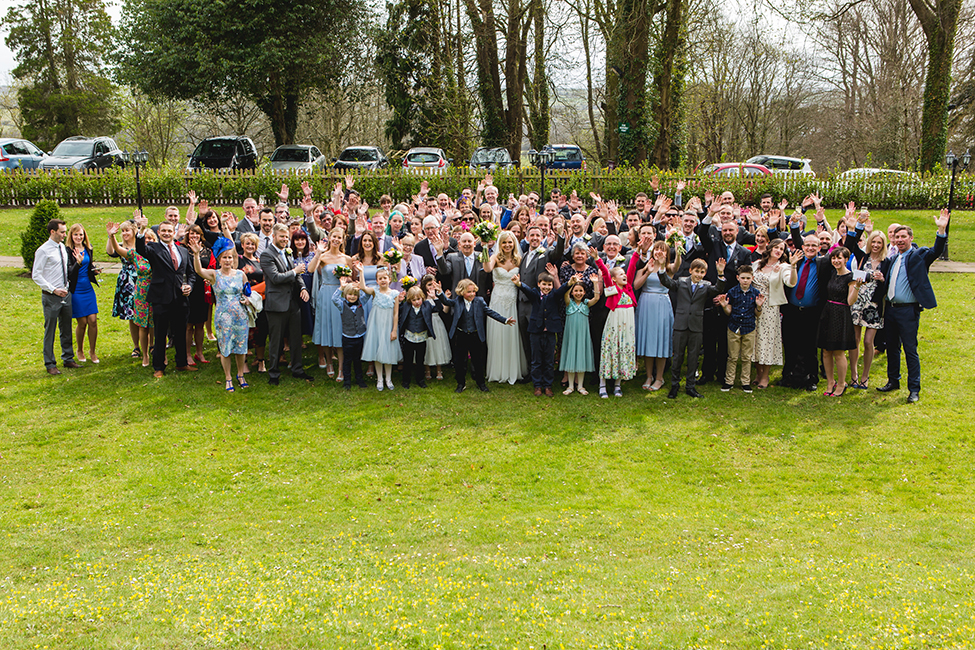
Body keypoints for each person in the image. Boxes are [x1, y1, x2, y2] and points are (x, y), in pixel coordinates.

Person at [875, 210, 949, 403]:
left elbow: (936, 251)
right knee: (892, 347)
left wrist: (941, 229)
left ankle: (914, 389)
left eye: (903, 237)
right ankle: (893, 381)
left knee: (910, 349)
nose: (899, 240)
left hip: (908, 310)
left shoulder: (919, 255)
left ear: (910, 238)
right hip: (890, 309)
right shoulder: (892, 260)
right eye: (896, 237)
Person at [136, 220, 197, 378]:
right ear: (159, 232)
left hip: (181, 299)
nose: (166, 233)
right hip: (161, 297)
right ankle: (159, 367)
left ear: (173, 232)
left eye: (169, 231)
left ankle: (182, 363)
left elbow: (191, 273)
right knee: (160, 333)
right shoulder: (153, 249)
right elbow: (140, 248)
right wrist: (141, 229)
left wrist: (189, 286)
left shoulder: (183, 251)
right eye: (163, 231)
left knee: (180, 332)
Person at [658, 258, 726, 398]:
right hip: (681, 324)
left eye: (702, 272)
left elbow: (718, 289)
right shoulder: (682, 282)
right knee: (678, 356)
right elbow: (667, 282)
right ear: (690, 270)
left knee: (693, 357)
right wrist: (661, 267)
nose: (699, 275)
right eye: (696, 271)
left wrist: (720, 274)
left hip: (696, 326)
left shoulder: (706, 285)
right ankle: (675, 385)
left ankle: (690, 386)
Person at [189, 237, 250, 392]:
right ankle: (228, 377)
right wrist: (196, 255)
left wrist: (248, 300)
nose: (228, 260)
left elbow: (247, 292)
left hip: (240, 317)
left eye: (230, 257)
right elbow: (199, 271)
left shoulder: (240, 275)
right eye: (225, 257)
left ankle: (241, 374)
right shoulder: (214, 275)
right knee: (226, 348)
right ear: (219, 259)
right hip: (223, 318)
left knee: (241, 347)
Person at [260, 223, 314, 385]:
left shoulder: (287, 253)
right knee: (276, 340)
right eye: (281, 236)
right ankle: (274, 373)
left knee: (296, 338)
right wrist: (295, 271)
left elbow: (297, 276)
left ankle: (297, 369)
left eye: (286, 237)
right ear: (274, 237)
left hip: (293, 303)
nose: (284, 239)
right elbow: (276, 278)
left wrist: (303, 287)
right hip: (276, 303)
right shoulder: (266, 255)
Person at [443, 278, 516, 393]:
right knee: (460, 361)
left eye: (473, 291)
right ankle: (460, 383)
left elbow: (490, 312)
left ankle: (481, 383)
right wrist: (438, 292)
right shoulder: (458, 301)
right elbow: (446, 302)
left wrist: (505, 320)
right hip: (461, 335)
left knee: (477, 361)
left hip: (475, 335)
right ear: (462, 292)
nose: (472, 294)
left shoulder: (479, 301)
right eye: (469, 292)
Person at [32, 219, 81, 375]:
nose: (65, 235)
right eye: (62, 232)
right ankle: (50, 363)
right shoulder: (43, 250)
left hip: (66, 294)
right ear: (52, 232)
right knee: (50, 329)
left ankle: (68, 358)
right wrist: (54, 290)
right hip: (51, 296)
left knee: (66, 328)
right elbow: (36, 275)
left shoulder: (62, 247)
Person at [844, 214, 888, 389]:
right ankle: (854, 374)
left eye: (879, 243)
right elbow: (850, 245)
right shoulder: (863, 257)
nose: (876, 245)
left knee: (869, 341)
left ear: (883, 245)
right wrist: (858, 226)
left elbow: (889, 286)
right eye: (874, 242)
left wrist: (883, 279)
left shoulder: (887, 262)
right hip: (857, 303)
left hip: (874, 306)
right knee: (854, 339)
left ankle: (865, 376)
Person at [633, 236, 681, 391]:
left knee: (661, 341)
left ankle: (660, 377)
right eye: (657, 249)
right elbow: (636, 285)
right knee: (648, 340)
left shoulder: (668, 269)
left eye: (663, 250)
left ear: (667, 254)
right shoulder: (643, 267)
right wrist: (647, 271)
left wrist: (678, 250)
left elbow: (677, 265)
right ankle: (648, 376)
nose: (659, 252)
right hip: (646, 303)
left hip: (662, 305)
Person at [750, 239, 799, 389]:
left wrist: (793, 266)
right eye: (776, 247)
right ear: (770, 248)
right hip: (754, 306)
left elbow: (791, 283)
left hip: (770, 308)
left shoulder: (783, 267)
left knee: (767, 341)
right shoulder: (757, 264)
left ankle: (765, 376)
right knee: (755, 341)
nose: (778, 250)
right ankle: (758, 373)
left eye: (781, 249)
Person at [514, 269, 572, 396]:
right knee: (536, 360)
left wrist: (570, 283)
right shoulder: (535, 294)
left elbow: (562, 289)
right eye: (544, 284)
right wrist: (519, 284)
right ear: (539, 284)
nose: (547, 287)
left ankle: (548, 385)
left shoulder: (554, 295)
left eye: (549, 285)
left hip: (550, 332)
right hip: (536, 331)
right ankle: (537, 385)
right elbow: (527, 290)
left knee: (549, 360)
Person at [592, 247, 639, 398]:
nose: (624, 275)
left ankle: (618, 384)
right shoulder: (612, 289)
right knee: (609, 351)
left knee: (623, 351)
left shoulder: (629, 288)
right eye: (620, 274)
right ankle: (603, 384)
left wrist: (638, 252)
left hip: (627, 327)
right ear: (613, 279)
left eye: (624, 274)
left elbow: (632, 267)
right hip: (614, 325)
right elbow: (605, 273)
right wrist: (598, 260)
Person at [483, 231, 528, 384]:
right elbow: (488, 269)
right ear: (499, 244)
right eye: (504, 242)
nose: (507, 245)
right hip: (497, 300)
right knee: (497, 333)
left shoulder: (519, 259)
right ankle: (497, 370)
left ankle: (513, 369)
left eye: (510, 242)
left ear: (514, 243)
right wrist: (484, 248)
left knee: (512, 333)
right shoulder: (495, 258)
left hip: (513, 299)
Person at [106, 222, 154, 368]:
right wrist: (112, 236)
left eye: (150, 240)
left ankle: (156, 349)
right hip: (138, 292)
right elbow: (118, 250)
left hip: (156, 292)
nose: (147, 242)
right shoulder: (135, 255)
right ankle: (143, 353)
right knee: (139, 323)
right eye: (145, 240)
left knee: (155, 322)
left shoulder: (157, 253)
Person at [816, 247, 861, 397]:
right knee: (826, 350)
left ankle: (841, 383)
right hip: (827, 312)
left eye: (839, 258)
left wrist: (857, 288)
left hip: (840, 314)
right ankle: (830, 382)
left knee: (838, 352)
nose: (836, 261)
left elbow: (850, 301)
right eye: (834, 258)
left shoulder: (851, 277)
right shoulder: (832, 273)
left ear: (846, 260)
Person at [309, 227, 352, 379]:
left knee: (339, 329)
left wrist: (345, 283)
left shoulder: (347, 259)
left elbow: (351, 278)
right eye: (334, 236)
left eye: (339, 237)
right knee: (326, 328)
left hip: (340, 294)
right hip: (326, 293)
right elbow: (310, 268)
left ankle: (341, 368)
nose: (336, 240)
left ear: (342, 240)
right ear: (329, 237)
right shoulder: (323, 256)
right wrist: (318, 253)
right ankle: (329, 363)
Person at [717, 266, 765, 393]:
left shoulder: (755, 293)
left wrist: (759, 306)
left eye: (748, 278)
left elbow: (757, 313)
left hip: (749, 328)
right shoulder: (732, 292)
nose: (745, 281)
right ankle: (729, 381)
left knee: (746, 357)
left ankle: (745, 382)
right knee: (732, 356)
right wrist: (724, 307)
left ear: (752, 279)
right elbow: (729, 312)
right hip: (734, 327)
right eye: (743, 278)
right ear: (738, 278)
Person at [357, 265, 402, 390]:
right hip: (376, 325)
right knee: (377, 351)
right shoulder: (374, 291)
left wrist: (394, 330)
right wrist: (361, 272)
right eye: (380, 278)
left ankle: (388, 378)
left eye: (385, 278)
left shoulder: (394, 293)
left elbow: (396, 313)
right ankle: (380, 379)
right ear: (377, 281)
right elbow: (363, 287)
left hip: (388, 326)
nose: (382, 280)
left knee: (388, 352)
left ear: (389, 279)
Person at [106, 218, 143, 358]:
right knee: (132, 316)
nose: (125, 233)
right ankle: (136, 346)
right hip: (127, 282)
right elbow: (110, 251)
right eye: (122, 231)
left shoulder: (140, 244)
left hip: (141, 280)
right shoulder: (120, 245)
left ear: (134, 230)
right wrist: (111, 236)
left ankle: (151, 344)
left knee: (144, 312)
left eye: (127, 230)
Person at [560, 275, 602, 395]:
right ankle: (571, 386)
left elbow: (597, 297)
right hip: (571, 334)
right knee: (571, 357)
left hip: (582, 335)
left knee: (581, 357)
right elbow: (565, 295)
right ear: (572, 292)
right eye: (576, 291)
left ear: (584, 292)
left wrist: (595, 283)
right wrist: (571, 283)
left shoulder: (586, 304)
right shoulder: (569, 303)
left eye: (580, 291)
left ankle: (581, 386)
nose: (578, 293)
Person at [398, 285, 445, 389]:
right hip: (409, 337)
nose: (417, 302)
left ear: (422, 297)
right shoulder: (406, 306)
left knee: (420, 360)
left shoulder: (427, 305)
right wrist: (399, 301)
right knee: (408, 360)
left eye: (418, 299)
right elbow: (397, 310)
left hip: (422, 337)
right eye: (414, 300)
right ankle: (406, 380)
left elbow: (439, 308)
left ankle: (420, 380)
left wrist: (435, 298)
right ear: (409, 300)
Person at [66, 224, 100, 363]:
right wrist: (78, 263)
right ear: (71, 236)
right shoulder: (68, 251)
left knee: (92, 320)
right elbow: (69, 272)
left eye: (81, 234)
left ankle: (92, 351)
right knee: (82, 322)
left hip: (87, 288)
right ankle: (79, 350)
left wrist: (95, 270)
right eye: (76, 235)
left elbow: (89, 266)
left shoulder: (88, 248)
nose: (78, 237)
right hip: (76, 289)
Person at [183, 225, 212, 365]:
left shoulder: (207, 251)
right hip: (189, 289)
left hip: (203, 289)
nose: (194, 236)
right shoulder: (183, 249)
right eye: (191, 233)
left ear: (201, 235)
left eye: (197, 233)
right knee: (189, 325)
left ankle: (199, 352)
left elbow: (212, 267)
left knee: (200, 323)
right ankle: (187, 353)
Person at [238, 232, 266, 373]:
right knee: (244, 332)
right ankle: (243, 363)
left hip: (258, 302)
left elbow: (266, 281)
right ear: (242, 245)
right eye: (247, 243)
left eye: (253, 244)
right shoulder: (238, 260)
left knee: (260, 331)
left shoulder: (260, 261)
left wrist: (255, 292)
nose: (250, 246)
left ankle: (261, 361)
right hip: (243, 301)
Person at [332, 280, 368, 390]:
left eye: (354, 295)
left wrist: (361, 287)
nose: (352, 297)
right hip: (348, 337)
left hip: (359, 337)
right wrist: (341, 288)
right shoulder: (342, 305)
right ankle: (347, 381)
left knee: (357, 360)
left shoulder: (361, 302)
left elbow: (367, 295)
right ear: (345, 295)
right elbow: (334, 299)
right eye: (350, 294)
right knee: (347, 360)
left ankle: (359, 379)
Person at [421, 274, 451, 380]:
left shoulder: (439, 296)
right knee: (428, 346)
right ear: (424, 286)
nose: (431, 287)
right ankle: (427, 369)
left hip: (437, 322)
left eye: (434, 284)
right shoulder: (422, 297)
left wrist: (446, 298)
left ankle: (439, 369)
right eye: (429, 284)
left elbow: (444, 311)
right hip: (425, 323)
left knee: (438, 345)